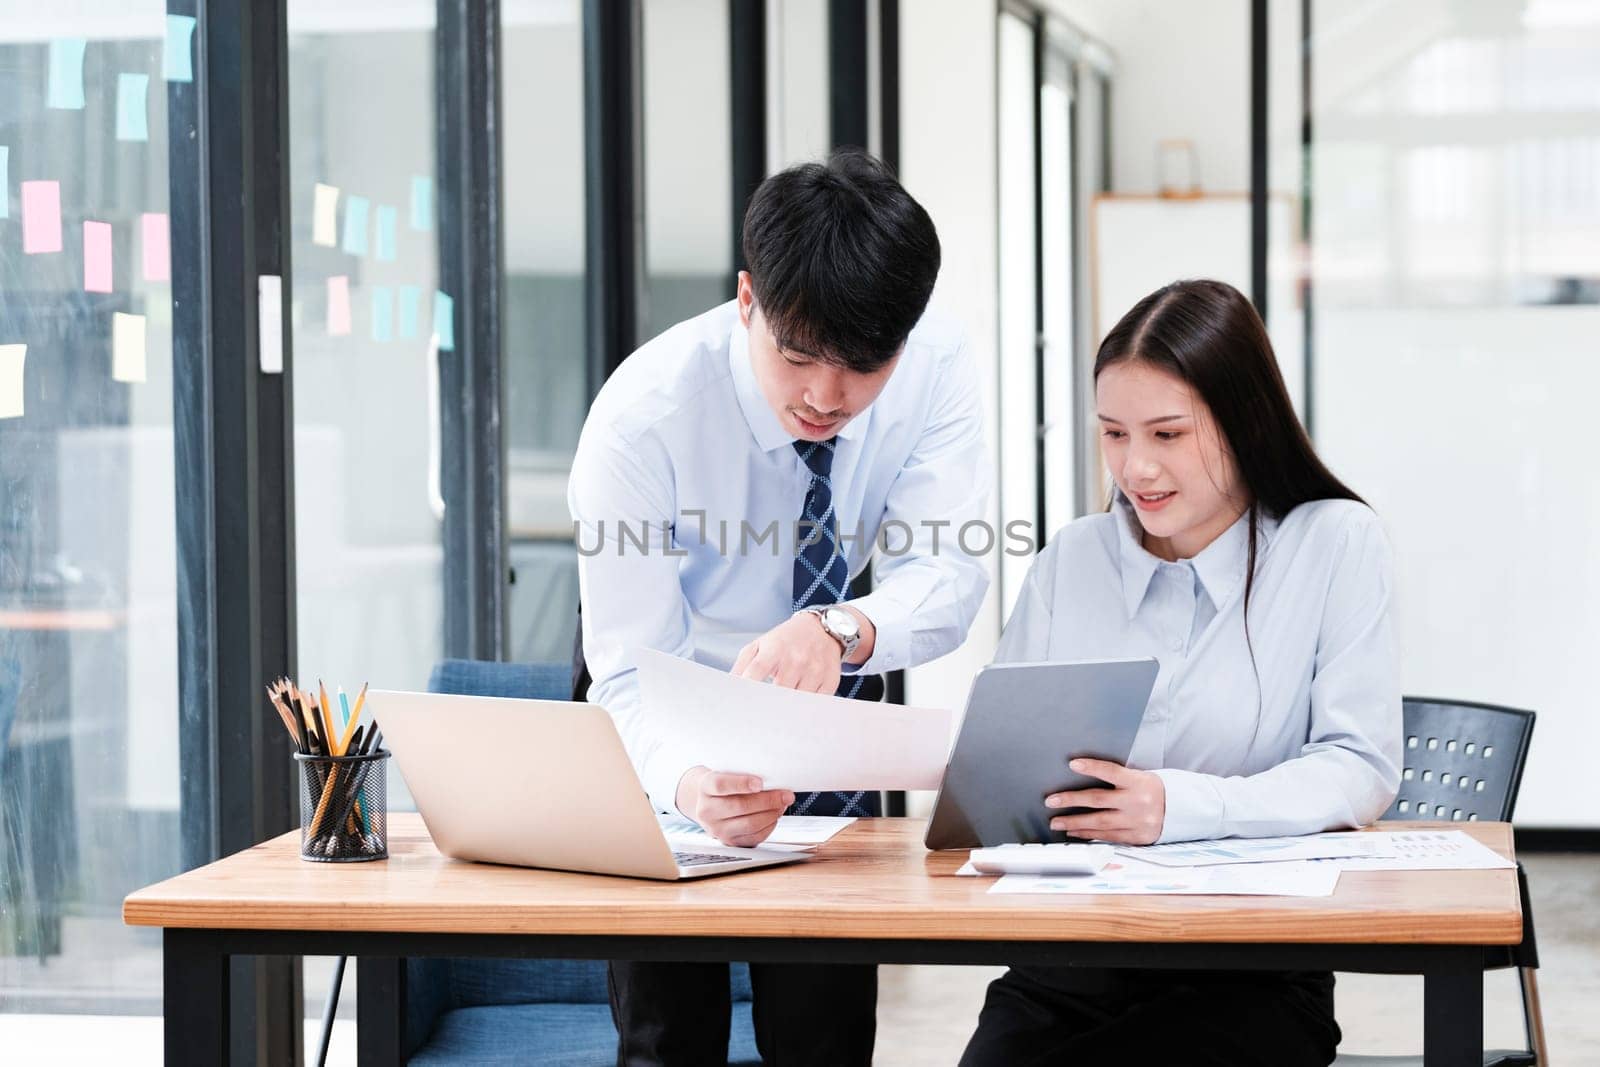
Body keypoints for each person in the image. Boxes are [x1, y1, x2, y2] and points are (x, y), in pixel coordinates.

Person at [569, 149, 990, 1067]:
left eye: (864, 364)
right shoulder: (641, 420)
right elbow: (629, 668)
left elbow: (948, 576)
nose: (825, 397)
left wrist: (843, 628)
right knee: (669, 1035)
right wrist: (687, 781)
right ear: (748, 298)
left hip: (821, 677)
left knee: (826, 1033)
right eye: (797, 356)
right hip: (660, 689)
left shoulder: (940, 369)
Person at [959, 279, 1402, 1067]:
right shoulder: (1073, 560)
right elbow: (998, 763)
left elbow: (1359, 766)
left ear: (1244, 420)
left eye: (1168, 433)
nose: (1137, 466)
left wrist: (1177, 804)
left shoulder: (1335, 543)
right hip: (1069, 963)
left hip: (1251, 969)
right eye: (1114, 433)